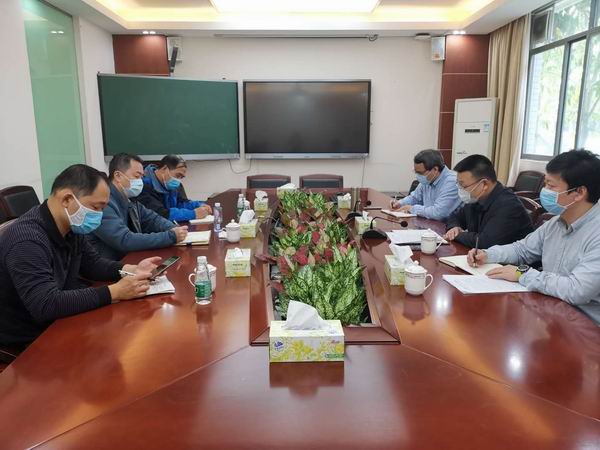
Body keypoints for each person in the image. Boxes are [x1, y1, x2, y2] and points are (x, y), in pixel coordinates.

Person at [0, 164, 162, 346]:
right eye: (96, 207)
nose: (99, 215)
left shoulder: (70, 227)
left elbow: (92, 264)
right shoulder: (26, 240)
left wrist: (130, 269)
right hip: (29, 337)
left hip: (60, 319)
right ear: (67, 199)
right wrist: (115, 292)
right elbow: (45, 304)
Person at [469, 150, 600, 325]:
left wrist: (523, 273)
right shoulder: (555, 223)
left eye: (551, 186)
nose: (544, 191)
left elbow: (577, 290)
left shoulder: (596, 233)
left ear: (579, 192)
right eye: (545, 184)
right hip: (551, 311)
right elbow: (522, 249)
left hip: (587, 327)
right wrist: (488, 254)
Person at [88, 153, 189, 260]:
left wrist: (173, 228)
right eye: (136, 176)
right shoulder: (103, 202)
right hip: (107, 265)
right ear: (118, 176)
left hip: (127, 259)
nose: (140, 182)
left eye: (141, 177)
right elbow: (124, 239)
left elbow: (153, 219)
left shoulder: (129, 199)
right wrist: (171, 236)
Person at [444, 154, 533, 248]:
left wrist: (458, 235)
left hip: (508, 257)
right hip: (481, 254)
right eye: (459, 185)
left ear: (484, 184)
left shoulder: (508, 205)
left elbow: (485, 242)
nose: (461, 189)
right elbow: (454, 216)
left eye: (463, 186)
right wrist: (454, 227)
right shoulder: (475, 198)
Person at [390, 149, 461, 221]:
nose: (418, 176)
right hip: (429, 223)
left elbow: (438, 213)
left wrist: (412, 208)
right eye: (416, 172)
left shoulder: (452, 181)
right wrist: (399, 203)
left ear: (435, 169)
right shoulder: (428, 179)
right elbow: (415, 198)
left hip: (446, 226)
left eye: (420, 173)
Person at [138, 154, 212, 222]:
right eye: (177, 175)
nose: (178, 180)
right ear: (165, 168)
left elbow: (180, 203)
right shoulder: (143, 186)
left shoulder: (171, 184)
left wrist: (198, 205)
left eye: (181, 177)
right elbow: (161, 214)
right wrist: (193, 214)